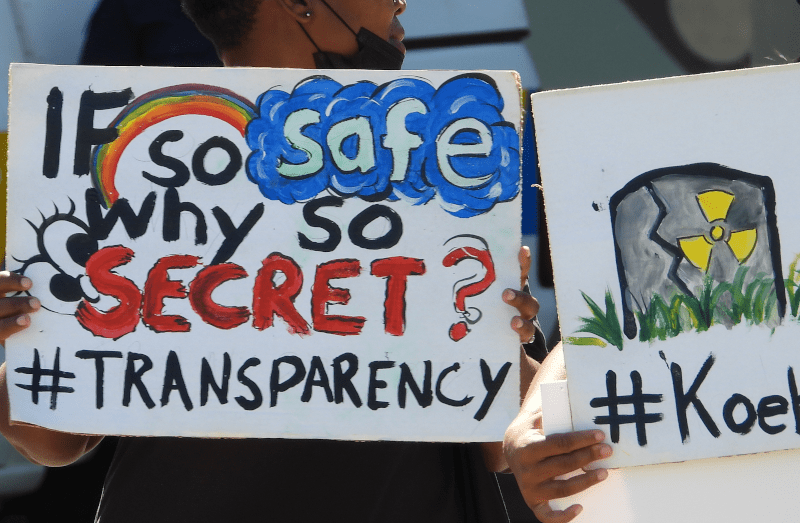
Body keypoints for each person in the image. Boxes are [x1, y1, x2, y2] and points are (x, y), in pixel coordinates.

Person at [0, 0, 559, 521]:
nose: (400, 2)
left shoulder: (439, 167)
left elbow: (501, 439)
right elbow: (55, 439)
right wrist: (20, 340)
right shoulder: (140, 178)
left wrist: (500, 338)